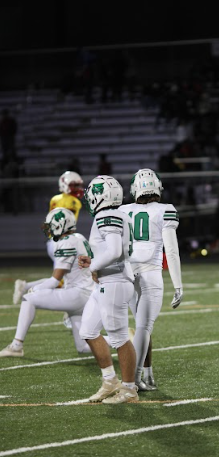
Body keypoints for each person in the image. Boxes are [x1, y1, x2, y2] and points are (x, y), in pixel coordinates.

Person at [0, 208, 95, 358]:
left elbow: (54, 280)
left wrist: (32, 289)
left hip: (77, 294)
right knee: (83, 347)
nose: (49, 229)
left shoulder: (67, 242)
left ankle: (16, 346)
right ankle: (124, 339)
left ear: (61, 225)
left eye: (52, 225)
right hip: (86, 293)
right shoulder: (79, 237)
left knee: (29, 299)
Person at [119, 168, 183, 391]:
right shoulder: (166, 210)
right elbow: (172, 251)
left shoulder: (123, 210)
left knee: (140, 327)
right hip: (150, 273)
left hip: (126, 273)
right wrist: (178, 285)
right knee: (144, 328)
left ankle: (146, 375)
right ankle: (133, 381)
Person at [78, 175, 138, 404]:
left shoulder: (107, 214)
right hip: (108, 281)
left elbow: (113, 251)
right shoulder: (119, 213)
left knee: (120, 338)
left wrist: (93, 265)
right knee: (88, 331)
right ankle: (110, 380)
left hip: (114, 282)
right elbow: (111, 250)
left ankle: (130, 390)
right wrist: (93, 261)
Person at [13, 171, 84, 305]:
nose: (77, 189)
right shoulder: (73, 201)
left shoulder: (55, 199)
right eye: (74, 185)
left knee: (61, 279)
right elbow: (66, 222)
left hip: (52, 240)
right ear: (65, 185)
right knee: (62, 280)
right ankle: (31, 294)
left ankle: (26, 287)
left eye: (78, 185)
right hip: (62, 241)